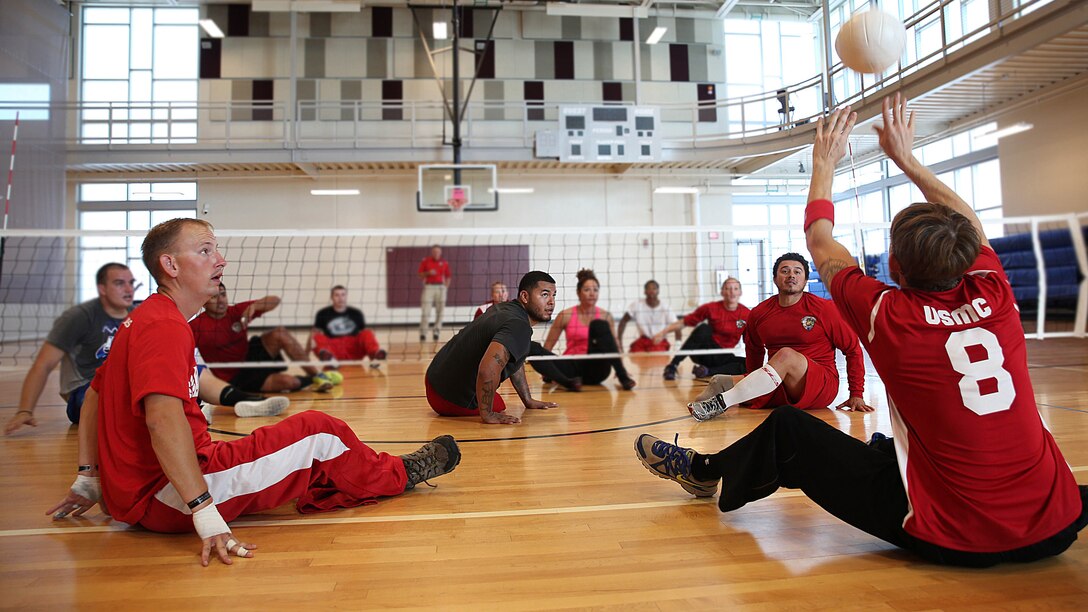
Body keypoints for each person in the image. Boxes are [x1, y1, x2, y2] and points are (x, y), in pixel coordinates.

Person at [635, 95, 1087, 567]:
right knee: (891, 447)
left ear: (893, 266)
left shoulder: (885, 313)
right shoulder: (997, 296)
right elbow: (967, 222)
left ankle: (704, 472)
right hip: (1056, 520)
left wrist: (823, 163)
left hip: (953, 532)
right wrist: (907, 159)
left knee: (791, 429)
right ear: (969, 254)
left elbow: (819, 240)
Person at [47, 218, 461, 566]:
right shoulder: (166, 326)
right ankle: (401, 474)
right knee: (321, 432)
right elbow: (161, 420)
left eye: (217, 249)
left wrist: (88, 477)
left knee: (303, 448)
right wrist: (204, 512)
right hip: (171, 493)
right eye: (206, 250)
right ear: (169, 264)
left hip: (139, 492)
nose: (221, 259)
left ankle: (370, 473)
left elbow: (95, 397)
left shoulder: (142, 318)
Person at [5, 263, 282, 435]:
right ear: (102, 288)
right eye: (118, 283)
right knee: (147, 403)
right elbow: (43, 364)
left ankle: (240, 399)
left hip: (132, 382)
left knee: (192, 366)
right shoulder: (80, 317)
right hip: (87, 392)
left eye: (130, 282)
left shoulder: (142, 311)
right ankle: (194, 407)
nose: (128, 288)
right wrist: (24, 410)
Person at [684, 252, 870, 421]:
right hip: (778, 382)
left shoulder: (825, 309)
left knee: (785, 354)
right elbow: (754, 350)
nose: (791, 275)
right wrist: (751, 383)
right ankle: (710, 404)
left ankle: (721, 403)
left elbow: (853, 349)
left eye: (798, 272)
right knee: (718, 380)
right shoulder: (759, 313)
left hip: (820, 384)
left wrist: (856, 393)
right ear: (775, 278)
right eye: (785, 271)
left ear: (805, 280)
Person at [425, 271, 559, 424]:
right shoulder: (518, 325)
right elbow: (487, 370)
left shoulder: (505, 308)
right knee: (499, 405)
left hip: (434, 379)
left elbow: (513, 360)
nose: (551, 302)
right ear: (525, 297)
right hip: (448, 399)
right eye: (544, 295)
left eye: (553, 295)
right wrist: (487, 414)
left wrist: (527, 400)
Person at [191, 283, 339, 393]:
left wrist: (256, 306)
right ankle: (312, 380)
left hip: (250, 357)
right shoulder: (196, 326)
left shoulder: (236, 311)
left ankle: (318, 375)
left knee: (279, 333)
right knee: (290, 383)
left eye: (223, 294)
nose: (221, 300)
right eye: (214, 297)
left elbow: (274, 300)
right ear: (204, 301)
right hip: (235, 378)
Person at [532, 269, 636, 391]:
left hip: (597, 367)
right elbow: (547, 348)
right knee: (532, 348)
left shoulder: (605, 316)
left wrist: (620, 368)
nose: (592, 293)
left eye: (595, 290)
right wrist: (548, 370)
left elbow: (614, 346)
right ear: (578, 293)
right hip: (571, 368)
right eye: (587, 290)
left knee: (598, 325)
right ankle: (567, 382)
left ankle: (623, 377)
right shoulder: (566, 315)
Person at [655, 277, 748, 380]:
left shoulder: (746, 314)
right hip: (704, 353)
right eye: (728, 288)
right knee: (704, 329)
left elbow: (752, 337)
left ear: (740, 292)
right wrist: (662, 333)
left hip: (724, 355)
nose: (732, 292)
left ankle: (706, 371)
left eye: (735, 289)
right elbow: (683, 322)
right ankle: (672, 366)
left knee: (749, 364)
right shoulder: (710, 308)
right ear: (722, 292)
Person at [309, 285, 387, 368]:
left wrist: (371, 335)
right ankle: (330, 359)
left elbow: (364, 335)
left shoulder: (356, 313)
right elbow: (313, 335)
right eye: (337, 295)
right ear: (331, 297)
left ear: (346, 296)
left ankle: (375, 355)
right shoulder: (322, 314)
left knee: (367, 332)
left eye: (343, 294)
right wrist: (306, 355)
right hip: (334, 349)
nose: (340, 298)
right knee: (317, 337)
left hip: (353, 350)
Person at [617, 280, 679, 353]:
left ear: (658, 291)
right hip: (643, 340)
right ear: (645, 291)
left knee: (655, 356)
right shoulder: (637, 305)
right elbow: (623, 321)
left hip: (659, 341)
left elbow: (677, 326)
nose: (651, 290)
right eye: (649, 288)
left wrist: (678, 345)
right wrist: (619, 342)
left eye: (654, 288)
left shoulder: (666, 308)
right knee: (634, 355)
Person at [418, 244, 451, 341]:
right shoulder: (425, 261)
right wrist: (428, 273)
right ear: (432, 252)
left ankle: (436, 332)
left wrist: (446, 287)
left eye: (438, 252)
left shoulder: (444, 262)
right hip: (429, 287)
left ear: (440, 253)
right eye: (434, 251)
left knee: (440, 311)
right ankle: (423, 333)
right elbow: (419, 275)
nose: (436, 253)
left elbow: (448, 276)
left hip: (441, 287)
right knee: (426, 311)